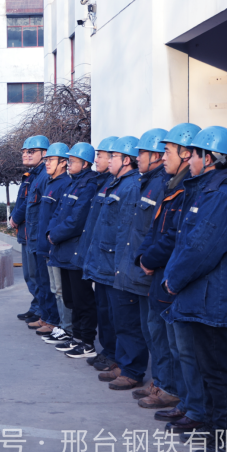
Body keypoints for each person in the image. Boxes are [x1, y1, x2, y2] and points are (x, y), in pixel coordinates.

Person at [162, 126, 227, 452]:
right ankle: (214, 430)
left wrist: (173, 280)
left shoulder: (223, 197)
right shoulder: (209, 191)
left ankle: (226, 441)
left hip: (215, 301)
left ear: (211, 158)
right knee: (210, 371)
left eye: (194, 155)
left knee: (218, 373)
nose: (189, 160)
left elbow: (201, 249)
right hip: (206, 298)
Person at [135, 123, 203, 423]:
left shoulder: (189, 189)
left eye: (167, 151)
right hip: (161, 272)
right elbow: (154, 229)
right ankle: (176, 394)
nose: (163, 157)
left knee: (180, 347)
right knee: (164, 339)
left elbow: (175, 236)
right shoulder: (173, 186)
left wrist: (150, 259)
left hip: (172, 275)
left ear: (186, 154)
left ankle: (181, 397)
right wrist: (144, 256)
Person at [110, 128, 170, 398]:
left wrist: (147, 260)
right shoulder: (142, 183)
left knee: (155, 332)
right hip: (129, 265)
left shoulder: (162, 185)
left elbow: (158, 232)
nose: (137, 158)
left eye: (142, 153)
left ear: (155, 155)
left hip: (146, 269)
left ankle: (162, 383)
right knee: (135, 325)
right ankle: (135, 372)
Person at [85, 135, 144, 390]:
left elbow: (126, 232)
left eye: (113, 156)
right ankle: (121, 361)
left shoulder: (131, 187)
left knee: (126, 322)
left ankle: (131, 369)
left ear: (126, 160)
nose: (108, 160)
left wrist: (122, 266)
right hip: (105, 263)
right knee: (112, 318)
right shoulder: (115, 183)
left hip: (117, 266)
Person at [46, 142, 101, 358]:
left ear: (85, 164)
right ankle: (76, 337)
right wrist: (50, 231)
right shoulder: (73, 184)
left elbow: (77, 220)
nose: (69, 164)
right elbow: (58, 212)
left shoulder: (89, 186)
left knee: (82, 299)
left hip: (76, 251)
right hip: (64, 250)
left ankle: (86, 342)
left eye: (73, 161)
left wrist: (54, 235)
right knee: (71, 298)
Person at [79, 136, 120, 370]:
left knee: (115, 314)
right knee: (104, 310)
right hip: (100, 257)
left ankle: (116, 356)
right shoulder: (105, 183)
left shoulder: (124, 185)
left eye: (103, 156)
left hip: (111, 260)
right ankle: (108, 351)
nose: (98, 160)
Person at [29, 142, 74, 341]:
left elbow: (60, 217)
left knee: (56, 289)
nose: (47, 163)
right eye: (46, 160)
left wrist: (51, 240)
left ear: (63, 162)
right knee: (44, 284)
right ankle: (47, 318)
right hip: (41, 243)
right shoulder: (50, 182)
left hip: (51, 245)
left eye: (51, 160)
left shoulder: (64, 184)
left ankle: (56, 322)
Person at [11, 135, 50, 328]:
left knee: (36, 276)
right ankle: (37, 307)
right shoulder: (32, 175)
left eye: (31, 152)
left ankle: (41, 310)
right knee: (30, 275)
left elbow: (30, 204)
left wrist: (15, 217)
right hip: (26, 233)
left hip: (33, 233)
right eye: (24, 152)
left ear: (44, 153)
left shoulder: (43, 176)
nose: (26, 155)